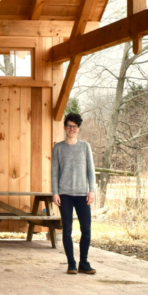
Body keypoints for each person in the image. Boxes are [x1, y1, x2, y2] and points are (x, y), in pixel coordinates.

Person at [51, 113, 96, 275]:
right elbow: (54, 172)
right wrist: (55, 192)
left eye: (75, 127)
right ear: (64, 127)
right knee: (67, 229)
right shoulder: (58, 147)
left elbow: (91, 170)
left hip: (83, 194)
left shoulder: (85, 147)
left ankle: (84, 262)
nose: (72, 129)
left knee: (86, 229)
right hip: (65, 195)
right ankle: (71, 263)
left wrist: (92, 190)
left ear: (78, 129)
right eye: (69, 126)